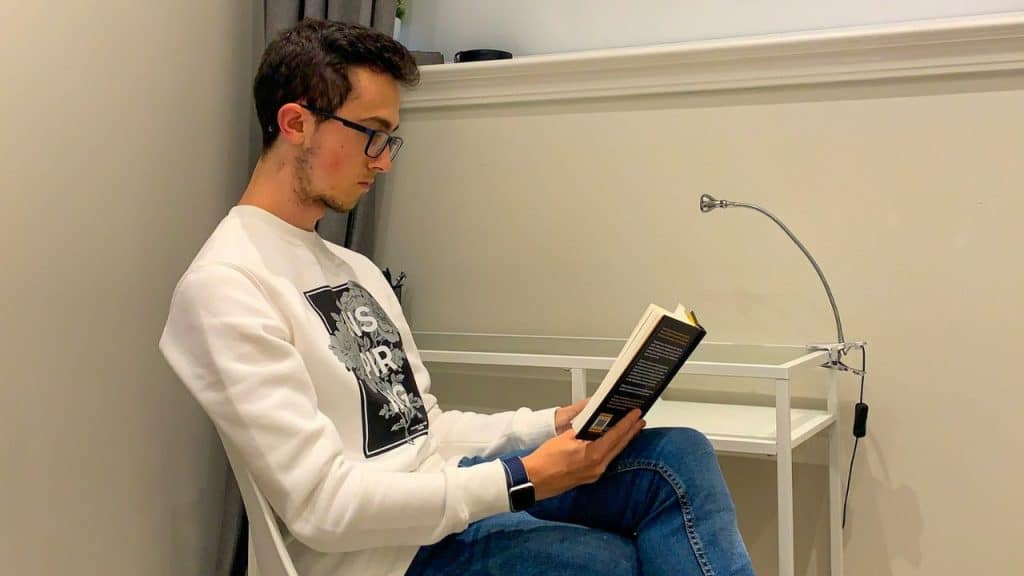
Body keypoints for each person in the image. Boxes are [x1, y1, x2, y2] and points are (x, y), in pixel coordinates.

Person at [160, 19, 754, 576]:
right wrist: (522, 478)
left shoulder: (353, 268)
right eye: (372, 135)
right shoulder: (228, 286)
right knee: (617, 561)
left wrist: (548, 425)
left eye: (390, 141)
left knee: (679, 457)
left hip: (442, 501)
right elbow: (322, 506)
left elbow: (426, 433)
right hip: (385, 558)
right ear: (296, 123)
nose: (382, 163)